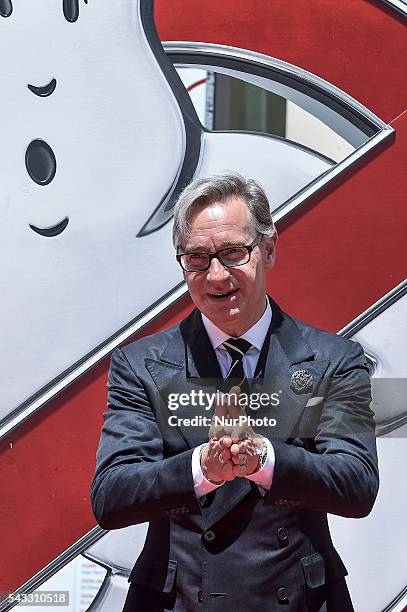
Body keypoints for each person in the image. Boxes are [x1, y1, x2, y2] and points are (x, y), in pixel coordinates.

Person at [91, 173, 379, 611]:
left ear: (268, 249)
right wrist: (202, 469)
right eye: (198, 258)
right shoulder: (139, 365)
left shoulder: (333, 360)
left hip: (300, 598)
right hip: (180, 600)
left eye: (232, 253)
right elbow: (111, 496)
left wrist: (264, 459)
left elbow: (356, 484)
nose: (217, 275)